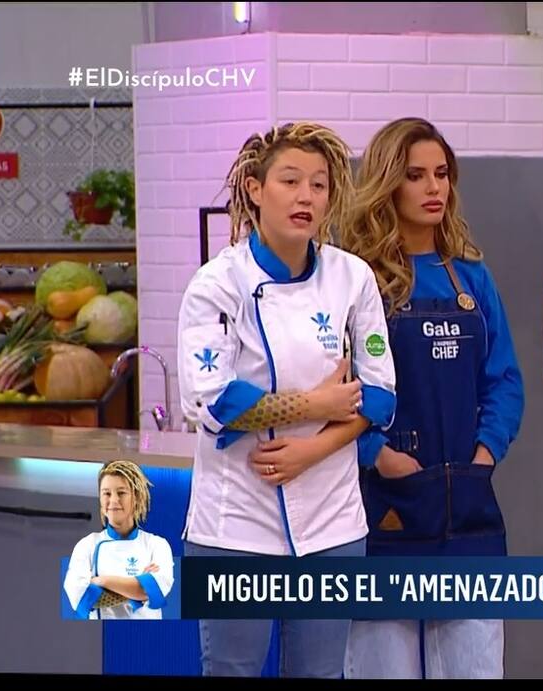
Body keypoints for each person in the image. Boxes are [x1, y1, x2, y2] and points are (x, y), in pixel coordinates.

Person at [176, 122, 398, 678]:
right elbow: (214, 402)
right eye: (291, 181)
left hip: (333, 522)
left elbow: (380, 396)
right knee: (231, 670)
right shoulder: (217, 284)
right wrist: (318, 404)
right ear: (255, 189)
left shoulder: (352, 277)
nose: (306, 197)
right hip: (235, 524)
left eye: (319, 185)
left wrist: (311, 450)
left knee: (321, 673)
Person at [340, 117, 524, 680]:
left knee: (475, 667)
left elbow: (504, 381)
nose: (433, 188)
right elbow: (335, 390)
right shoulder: (354, 282)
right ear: (387, 184)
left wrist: (485, 453)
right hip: (383, 504)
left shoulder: (472, 278)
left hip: (465, 501)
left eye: (441, 174)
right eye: (416, 175)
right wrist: (377, 454)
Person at [64, 460, 175, 620]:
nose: (114, 500)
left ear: (136, 497)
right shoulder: (86, 545)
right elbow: (83, 598)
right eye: (107, 493)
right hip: (102, 633)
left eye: (121, 493)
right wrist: (136, 585)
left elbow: (148, 591)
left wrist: (101, 580)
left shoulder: (157, 545)